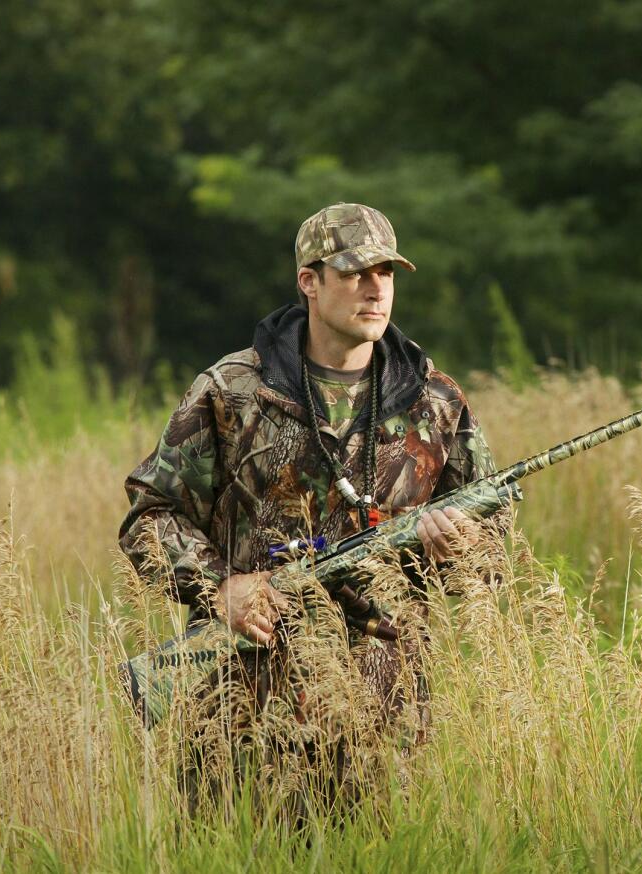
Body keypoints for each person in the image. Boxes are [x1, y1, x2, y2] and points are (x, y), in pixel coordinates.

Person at [118, 201, 500, 810]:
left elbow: (490, 551)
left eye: (387, 274)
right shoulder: (233, 392)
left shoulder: (435, 401)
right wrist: (222, 589)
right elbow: (150, 514)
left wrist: (461, 549)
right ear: (309, 283)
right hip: (243, 713)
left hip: (385, 721)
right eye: (355, 273)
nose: (375, 290)